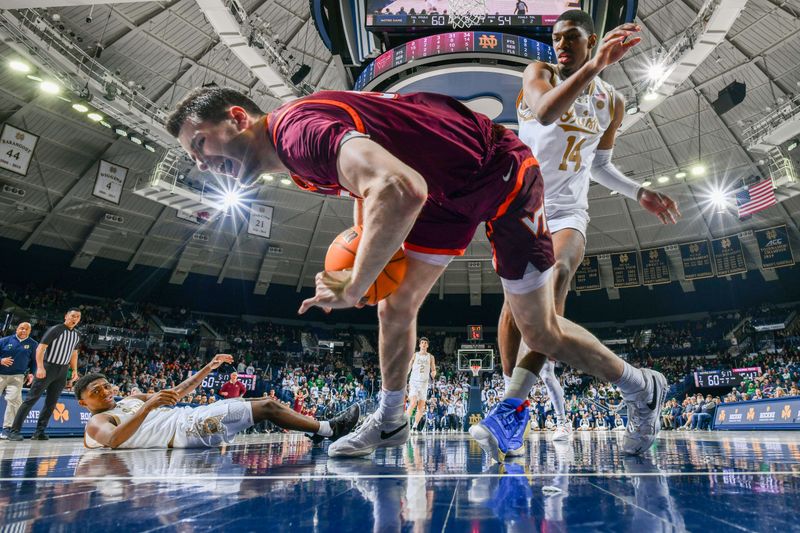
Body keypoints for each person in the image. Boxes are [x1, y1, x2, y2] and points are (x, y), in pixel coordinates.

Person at [166, 25, 668, 458]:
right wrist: (365, 244)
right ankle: (390, 418)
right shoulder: (294, 148)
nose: (201, 163)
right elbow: (374, 183)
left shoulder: (298, 135)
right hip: (444, 189)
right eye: (192, 157)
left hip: (498, 171)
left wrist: (355, 282)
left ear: (236, 117)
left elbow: (400, 188)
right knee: (396, 305)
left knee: (538, 334)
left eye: (199, 145)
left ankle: (642, 387)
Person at [493, 9, 679, 450]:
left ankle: (510, 411)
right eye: (555, 37)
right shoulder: (537, 72)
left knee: (554, 273)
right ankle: (515, 398)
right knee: (515, 316)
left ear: (590, 39)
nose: (560, 44)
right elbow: (543, 112)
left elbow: (600, 165)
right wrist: (594, 66)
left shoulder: (612, 101)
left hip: (568, 212)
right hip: (523, 206)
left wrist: (638, 192)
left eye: (570, 37)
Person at [75, 354, 360, 449]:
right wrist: (149, 406)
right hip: (184, 432)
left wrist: (208, 368)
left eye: (105, 386)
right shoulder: (98, 421)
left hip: (188, 416)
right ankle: (329, 429)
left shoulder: (131, 398)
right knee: (268, 408)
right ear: (83, 403)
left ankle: (317, 430)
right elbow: (112, 441)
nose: (104, 392)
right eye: (95, 393)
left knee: (263, 400)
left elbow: (180, 391)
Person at [7, 308, 82, 441]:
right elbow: (41, 348)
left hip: (62, 370)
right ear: (66, 316)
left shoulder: (77, 334)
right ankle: (14, 430)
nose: (74, 319)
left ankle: (39, 431)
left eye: (77, 317)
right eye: (72, 316)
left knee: (51, 402)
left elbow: (74, 353)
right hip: (48, 367)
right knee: (31, 399)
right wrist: (40, 367)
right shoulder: (55, 329)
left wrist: (74, 370)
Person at [0, 323, 37, 439]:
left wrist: (32, 373)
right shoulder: (4, 340)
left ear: (30, 331)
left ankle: (7, 429)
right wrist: (1, 360)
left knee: (14, 401)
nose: (23, 331)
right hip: (1, 374)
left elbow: (34, 361)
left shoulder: (33, 344)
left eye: (26, 329)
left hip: (17, 377)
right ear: (17, 329)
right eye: (21, 328)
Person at [406, 337, 436, 431]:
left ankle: (414, 426)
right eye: (422, 342)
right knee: (413, 402)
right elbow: (409, 366)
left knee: (421, 407)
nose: (423, 344)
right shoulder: (414, 355)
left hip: (424, 383)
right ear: (419, 345)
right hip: (414, 382)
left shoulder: (431, 357)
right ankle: (404, 424)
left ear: (427, 345)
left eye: (425, 343)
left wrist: (433, 374)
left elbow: (433, 369)